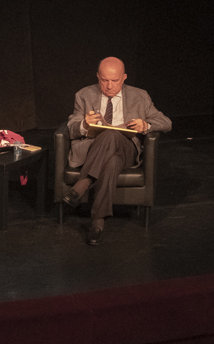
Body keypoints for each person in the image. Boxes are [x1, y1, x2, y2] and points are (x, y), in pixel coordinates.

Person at [63, 57, 171, 245]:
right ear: (98, 77)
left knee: (112, 134)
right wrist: (84, 124)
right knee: (111, 161)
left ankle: (84, 182)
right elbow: (71, 127)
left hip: (127, 149)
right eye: (104, 80)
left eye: (115, 81)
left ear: (124, 78)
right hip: (94, 151)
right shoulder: (84, 95)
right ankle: (97, 222)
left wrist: (146, 125)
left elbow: (166, 122)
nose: (109, 86)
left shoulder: (140, 96)